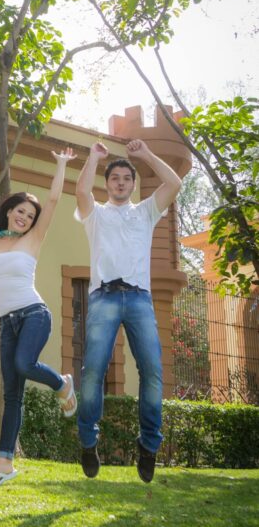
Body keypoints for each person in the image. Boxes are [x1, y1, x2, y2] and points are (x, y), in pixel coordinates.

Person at [0, 150, 77, 491]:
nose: (25, 217)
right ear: (9, 211)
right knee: (13, 396)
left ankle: (61, 384)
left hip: (34, 315)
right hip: (7, 323)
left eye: (30, 214)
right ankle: (3, 464)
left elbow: (53, 199)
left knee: (25, 364)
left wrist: (62, 165)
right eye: (20, 211)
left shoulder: (33, 239)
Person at [75, 139, 182, 483]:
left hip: (139, 299)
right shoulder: (96, 215)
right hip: (104, 298)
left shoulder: (146, 212)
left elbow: (175, 184)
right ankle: (89, 442)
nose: (120, 182)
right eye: (115, 178)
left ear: (133, 184)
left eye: (126, 178)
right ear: (107, 184)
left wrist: (146, 155)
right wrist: (93, 157)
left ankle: (148, 446)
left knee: (152, 371)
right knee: (93, 372)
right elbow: (80, 193)